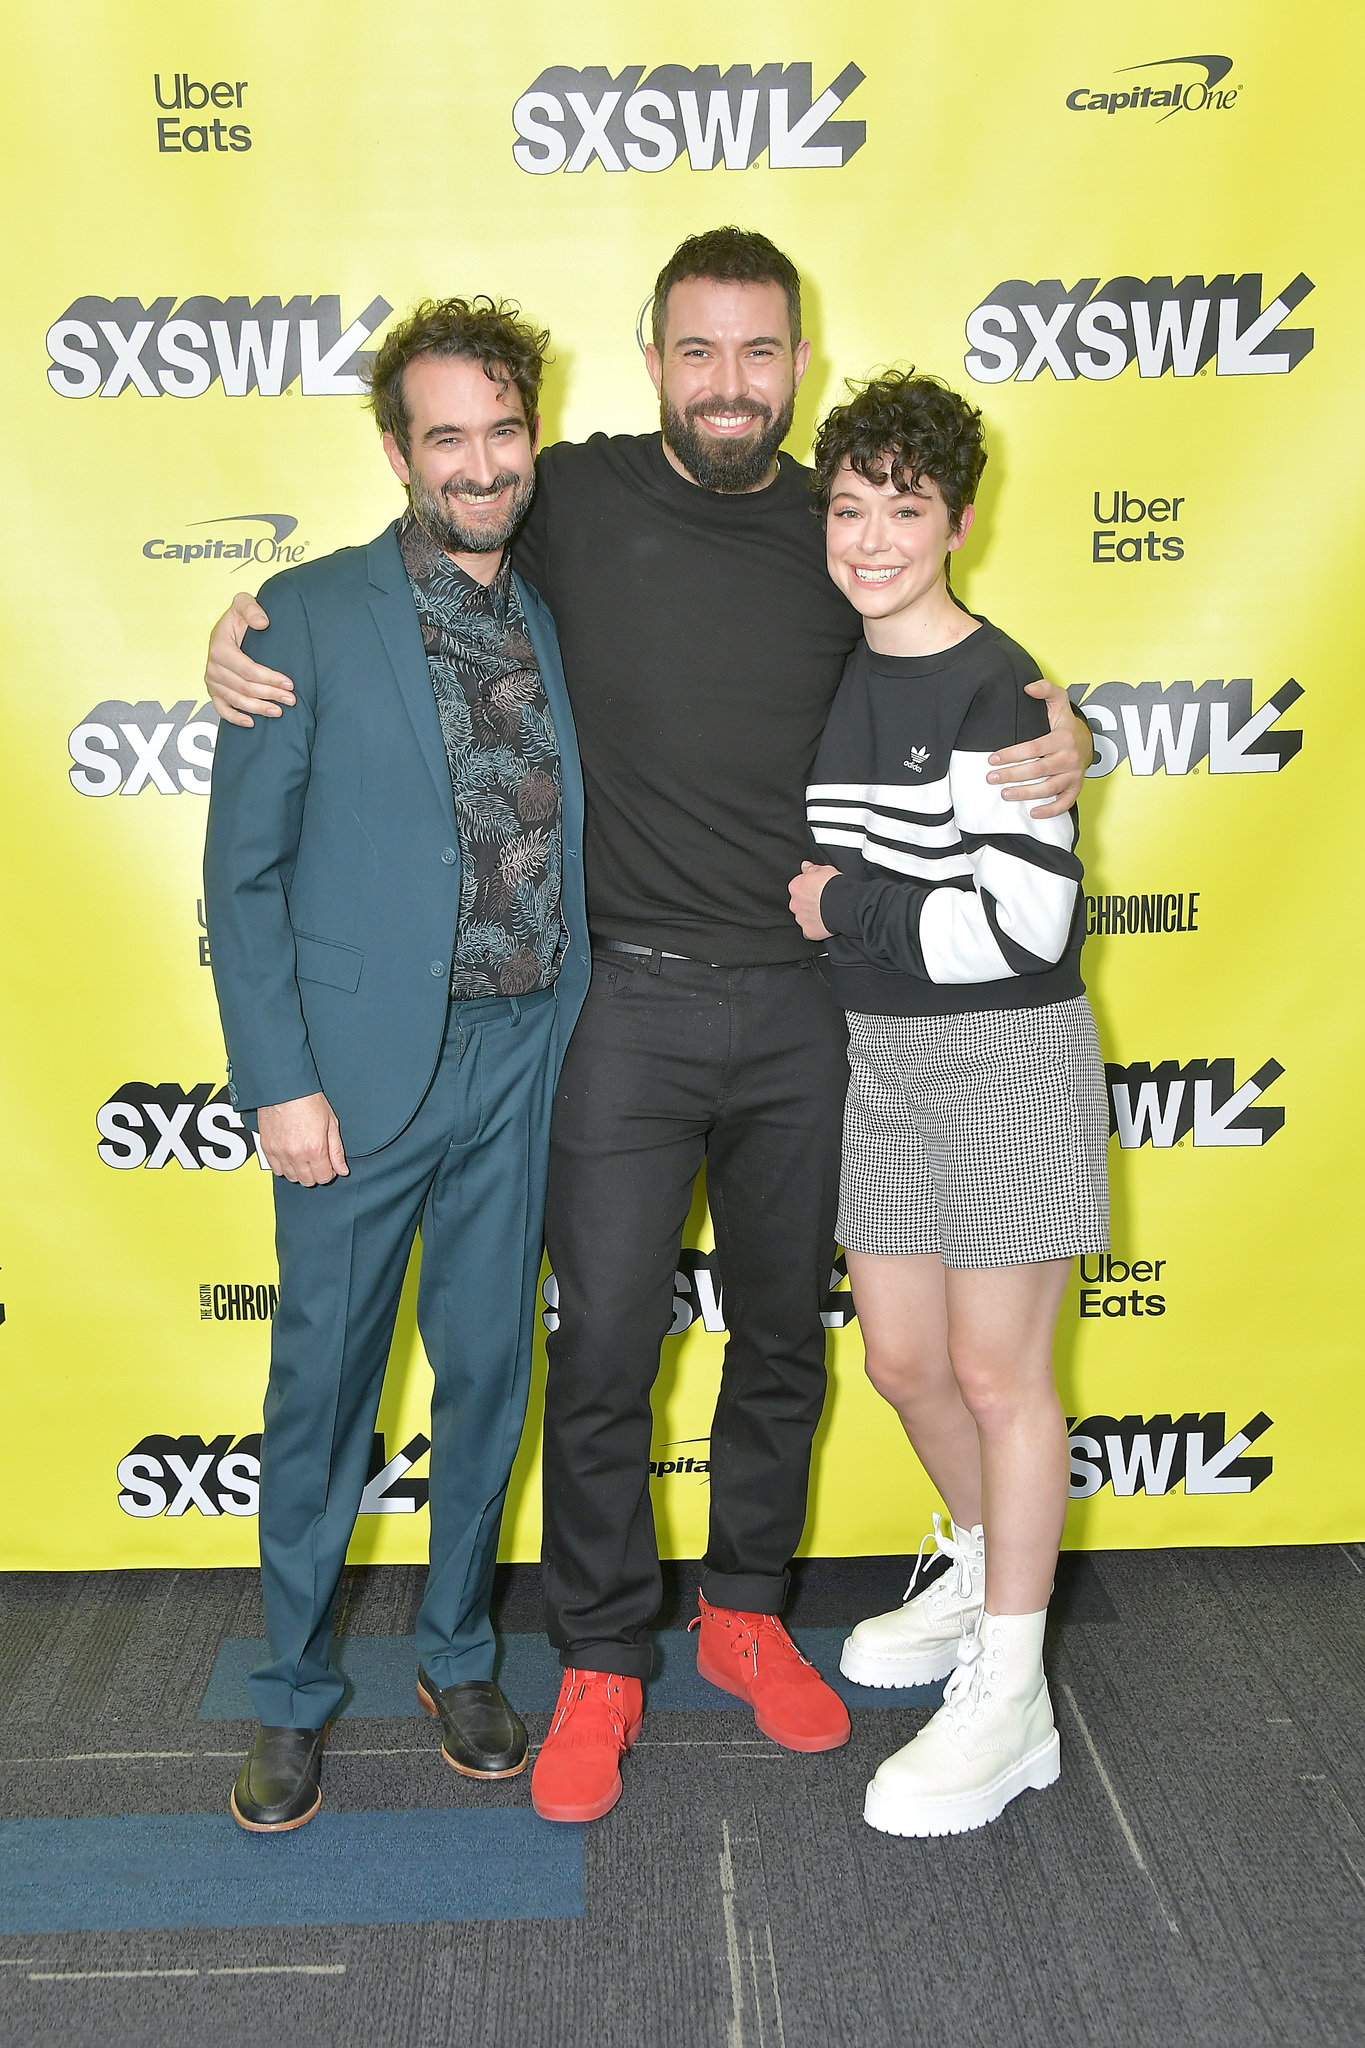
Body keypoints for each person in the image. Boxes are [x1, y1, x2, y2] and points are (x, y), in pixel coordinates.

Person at [202, 229, 1093, 1828]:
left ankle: (746, 1617)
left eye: (759, 354)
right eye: (699, 351)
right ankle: (601, 1658)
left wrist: (1057, 726)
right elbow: (423, 535)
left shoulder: (841, 527)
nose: (729, 383)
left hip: (815, 1008)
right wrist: (246, 628)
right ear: (653, 361)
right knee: (599, 1341)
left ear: (797, 366)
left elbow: (940, 645)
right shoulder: (575, 496)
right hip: (615, 1002)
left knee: (777, 1340)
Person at [203, 297, 590, 1832]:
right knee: (324, 1390)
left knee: (490, 1372)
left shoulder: (564, 606)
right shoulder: (298, 618)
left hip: (524, 1054)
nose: (481, 464)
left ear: (531, 439)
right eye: (449, 437)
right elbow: (242, 878)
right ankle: (294, 1695)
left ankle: (454, 1653)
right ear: (397, 451)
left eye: (503, 432)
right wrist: (277, 1079)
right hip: (355, 1081)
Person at [789, 369, 1108, 1838]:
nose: (869, 539)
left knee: (997, 1378)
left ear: (956, 521)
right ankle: (986, 1572)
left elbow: (1022, 934)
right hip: (881, 1057)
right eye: (848, 509)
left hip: (1002, 1057)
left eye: (899, 511)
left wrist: (848, 904)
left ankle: (1015, 1694)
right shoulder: (824, 664)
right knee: (904, 1364)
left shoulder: (999, 691)